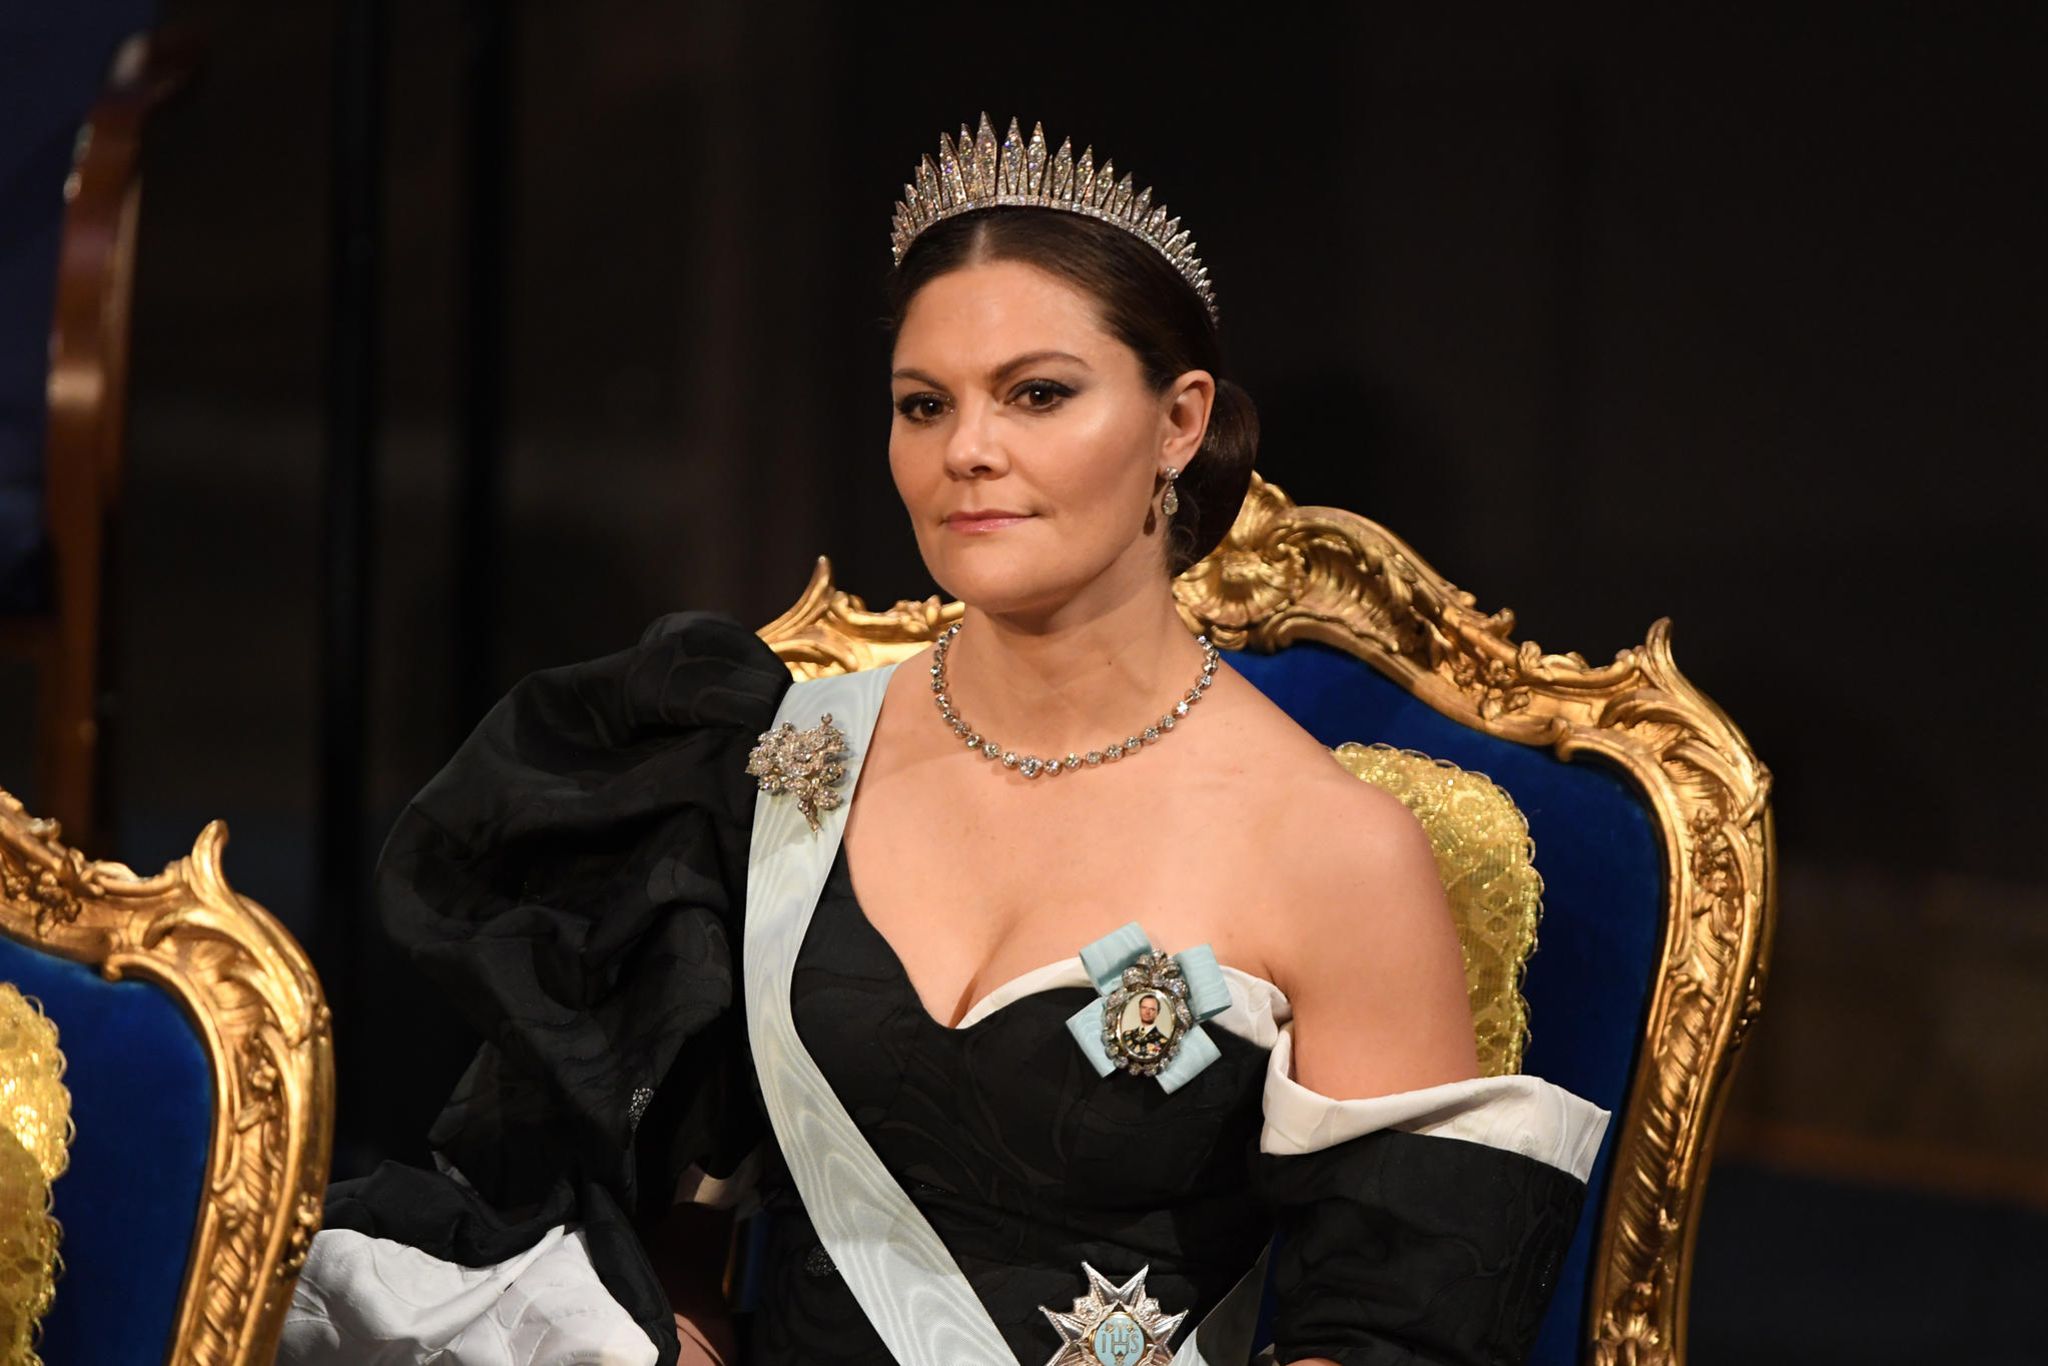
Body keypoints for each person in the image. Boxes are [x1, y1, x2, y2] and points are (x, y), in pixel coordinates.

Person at [283, 115, 1608, 1366]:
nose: (967, 449)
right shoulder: (773, 758)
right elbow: (659, 1221)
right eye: (925, 404)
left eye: (1037, 394)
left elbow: (1383, 1328)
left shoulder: (1334, 850)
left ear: (1180, 421)